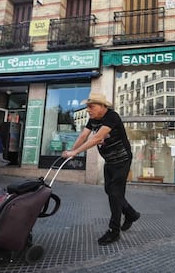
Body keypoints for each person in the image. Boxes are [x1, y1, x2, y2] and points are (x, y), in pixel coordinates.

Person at [62, 92, 140, 245]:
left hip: (122, 160)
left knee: (115, 194)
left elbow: (97, 138)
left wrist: (76, 152)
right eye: (87, 107)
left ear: (103, 106)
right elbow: (83, 136)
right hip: (110, 160)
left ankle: (114, 231)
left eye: (91, 106)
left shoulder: (112, 116)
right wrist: (71, 151)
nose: (88, 110)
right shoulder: (93, 119)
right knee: (109, 191)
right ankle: (131, 214)